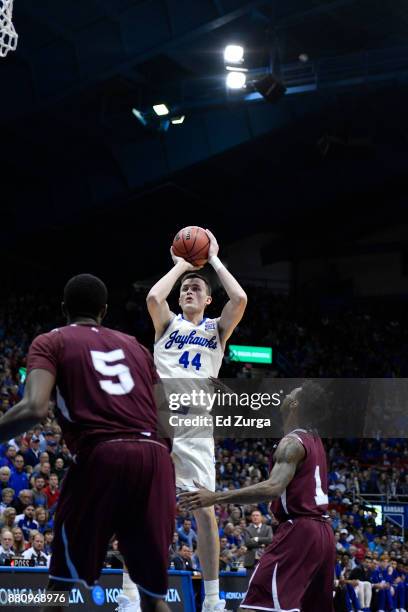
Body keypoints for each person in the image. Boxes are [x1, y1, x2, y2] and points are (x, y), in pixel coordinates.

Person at [0, 273, 175, 612]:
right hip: (154, 457)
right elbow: (166, 417)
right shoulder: (137, 347)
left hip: (102, 452)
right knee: (153, 596)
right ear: (104, 311)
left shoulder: (52, 341)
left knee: (59, 586)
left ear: (64, 308)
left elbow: (35, 407)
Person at [119, 229, 246, 612]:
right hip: (157, 422)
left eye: (196, 288)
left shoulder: (216, 330)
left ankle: (211, 601)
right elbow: (154, 297)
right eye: (186, 288)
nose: (189, 291)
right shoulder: (167, 324)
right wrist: (180, 266)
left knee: (204, 511)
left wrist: (215, 260)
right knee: (140, 506)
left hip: (196, 428)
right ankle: (127, 597)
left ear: (208, 299)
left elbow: (239, 298)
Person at [180, 383, 336, 612]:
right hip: (324, 534)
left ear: (294, 404)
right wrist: (237, 399)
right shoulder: (311, 437)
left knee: (254, 607)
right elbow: (275, 421)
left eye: (291, 392)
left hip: (300, 532)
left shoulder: (291, 444)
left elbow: (273, 487)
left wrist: (215, 497)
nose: (286, 394)